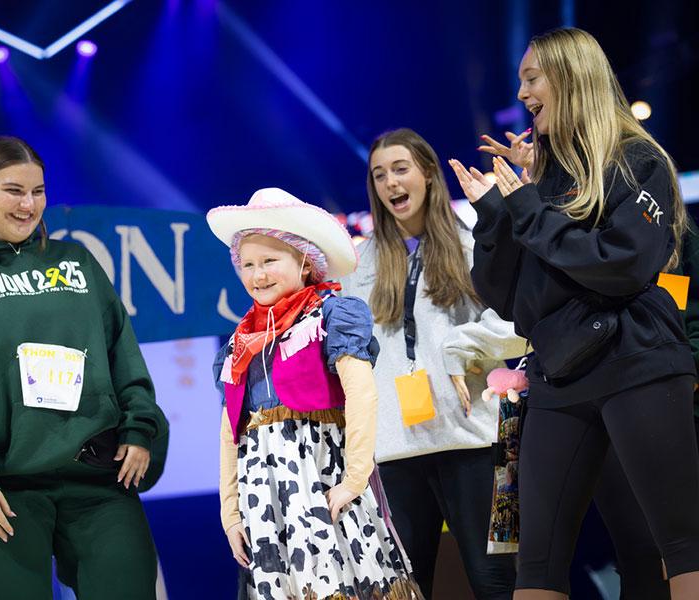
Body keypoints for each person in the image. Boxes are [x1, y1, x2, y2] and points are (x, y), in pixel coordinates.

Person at [449, 27, 699, 599]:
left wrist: (529, 208)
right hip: (559, 374)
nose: (523, 93)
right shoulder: (543, 181)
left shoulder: (637, 160)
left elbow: (621, 267)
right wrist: (495, 215)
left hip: (637, 360)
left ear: (570, 77)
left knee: (676, 540)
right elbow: (512, 302)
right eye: (521, 81)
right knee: (534, 558)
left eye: (532, 78)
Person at [0, 136, 169, 600]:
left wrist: (139, 429)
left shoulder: (77, 263)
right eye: (14, 190)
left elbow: (123, 355)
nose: (30, 205)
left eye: (39, 191)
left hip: (98, 479)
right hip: (4, 488)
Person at [339, 128, 527, 600]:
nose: (390, 183)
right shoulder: (357, 266)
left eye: (400, 169)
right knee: (403, 588)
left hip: (482, 441)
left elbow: (525, 321)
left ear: (427, 174)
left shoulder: (473, 246)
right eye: (379, 175)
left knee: (501, 581)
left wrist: (460, 345)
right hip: (393, 452)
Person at [208, 187, 422, 599]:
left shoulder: (330, 315)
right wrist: (230, 512)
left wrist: (353, 481)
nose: (258, 274)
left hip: (325, 485)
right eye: (248, 264)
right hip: (267, 501)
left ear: (305, 262)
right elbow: (230, 431)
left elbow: (362, 396)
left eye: (270, 261)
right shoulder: (239, 343)